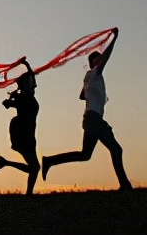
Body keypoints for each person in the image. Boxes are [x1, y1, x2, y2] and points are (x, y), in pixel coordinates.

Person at [41, 27, 133, 190]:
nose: (101, 61)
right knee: (116, 149)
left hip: (90, 119)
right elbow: (107, 57)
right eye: (98, 59)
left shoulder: (90, 77)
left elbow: (81, 96)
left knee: (85, 154)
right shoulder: (95, 73)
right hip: (94, 119)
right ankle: (125, 185)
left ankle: (49, 161)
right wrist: (114, 38)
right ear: (94, 62)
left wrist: (91, 92)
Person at [0, 57, 41, 195]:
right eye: (30, 82)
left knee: (35, 167)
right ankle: (28, 193)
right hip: (22, 133)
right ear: (25, 85)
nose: (33, 82)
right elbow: (7, 104)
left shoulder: (30, 94)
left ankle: (28, 193)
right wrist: (9, 101)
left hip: (29, 133)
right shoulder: (23, 97)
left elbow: (32, 75)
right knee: (35, 167)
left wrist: (25, 64)